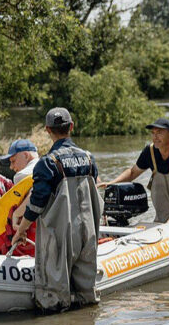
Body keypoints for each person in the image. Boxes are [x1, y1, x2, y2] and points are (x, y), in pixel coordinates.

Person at [12, 107, 102, 311]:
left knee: (53, 298)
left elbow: (37, 203)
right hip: (88, 232)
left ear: (47, 130)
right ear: (71, 126)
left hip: (60, 235)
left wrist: (22, 229)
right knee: (87, 297)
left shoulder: (47, 163)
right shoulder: (89, 158)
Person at [97, 118, 169, 225]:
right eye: (153, 133)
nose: (155, 137)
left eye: (160, 133)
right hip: (165, 217)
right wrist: (112, 183)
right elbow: (132, 173)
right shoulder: (150, 151)